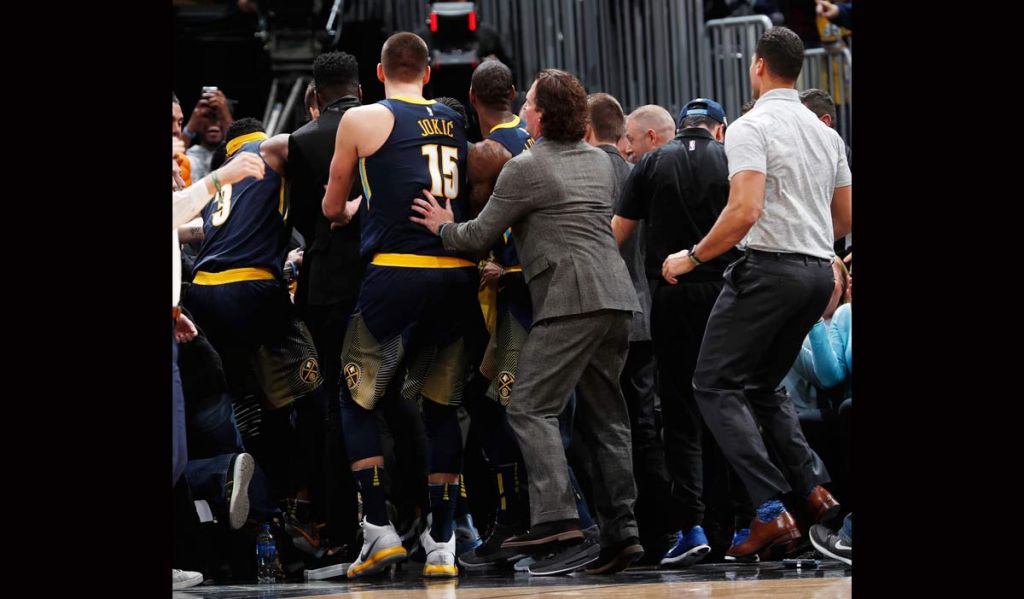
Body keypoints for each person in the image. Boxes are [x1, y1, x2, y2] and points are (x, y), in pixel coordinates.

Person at [410, 68, 643, 575]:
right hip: (618, 300)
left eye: (531, 104)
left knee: (530, 407)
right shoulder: (605, 163)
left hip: (569, 299)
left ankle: (557, 517)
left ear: (541, 114)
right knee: (608, 419)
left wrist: (441, 225)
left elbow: (477, 235)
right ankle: (623, 531)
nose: (526, 110)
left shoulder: (526, 167)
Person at [661, 27, 851, 561]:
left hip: (770, 270)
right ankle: (813, 487)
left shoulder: (750, 125)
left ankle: (770, 510)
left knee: (713, 384)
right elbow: (845, 219)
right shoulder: (825, 134)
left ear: (759, 66)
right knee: (764, 386)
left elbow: (744, 211)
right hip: (818, 272)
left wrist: (691, 256)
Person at [321, 31, 477, 579]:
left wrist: (353, 209)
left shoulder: (360, 119)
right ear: (430, 73)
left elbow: (333, 205)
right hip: (456, 273)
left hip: (397, 273)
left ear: (381, 73)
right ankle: (441, 541)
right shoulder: (454, 121)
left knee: (355, 395)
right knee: (440, 406)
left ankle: (378, 529)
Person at [613, 98, 737, 568]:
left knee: (680, 414)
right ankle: (740, 525)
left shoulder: (650, 165)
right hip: (726, 297)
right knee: (729, 404)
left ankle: (693, 527)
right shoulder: (730, 158)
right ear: (717, 129)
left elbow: (616, 236)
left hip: (670, 295)